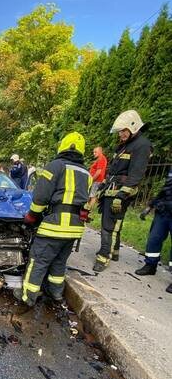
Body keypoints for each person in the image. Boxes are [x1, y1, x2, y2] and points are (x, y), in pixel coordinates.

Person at [14, 132, 91, 306]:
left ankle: (28, 297)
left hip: (55, 226)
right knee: (59, 261)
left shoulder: (55, 166)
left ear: (64, 146)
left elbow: (40, 197)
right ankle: (56, 293)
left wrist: (31, 216)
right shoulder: (87, 173)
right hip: (75, 228)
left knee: (38, 261)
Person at [93, 110, 152, 272]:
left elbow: (136, 174)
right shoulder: (123, 146)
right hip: (111, 190)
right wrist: (102, 188)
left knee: (109, 226)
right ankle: (115, 251)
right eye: (120, 131)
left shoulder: (142, 145)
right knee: (111, 222)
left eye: (124, 130)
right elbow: (113, 170)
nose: (121, 134)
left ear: (134, 127)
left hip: (121, 193)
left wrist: (121, 195)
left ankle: (104, 256)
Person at [135, 166, 172, 293]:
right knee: (154, 239)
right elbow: (165, 190)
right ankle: (150, 265)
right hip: (163, 211)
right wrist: (150, 205)